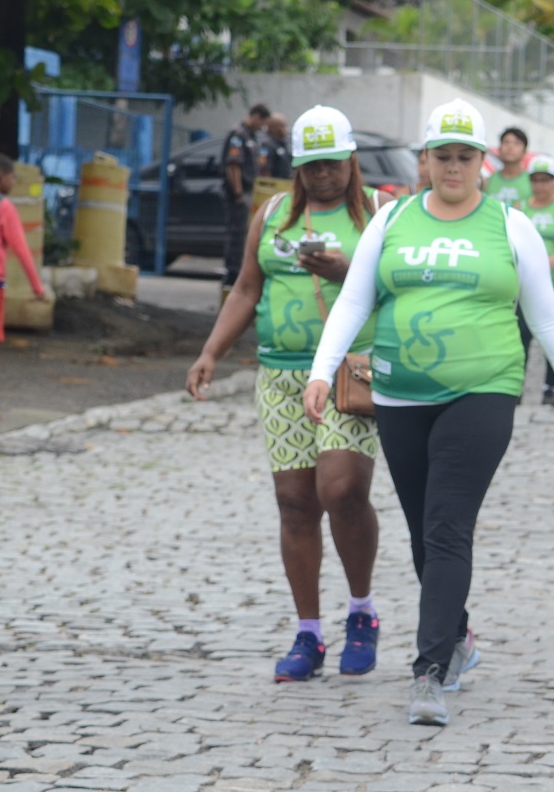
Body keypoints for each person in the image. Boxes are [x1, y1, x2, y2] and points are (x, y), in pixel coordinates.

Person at [302, 98, 554, 728]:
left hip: (484, 391)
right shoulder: (392, 221)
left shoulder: (509, 225)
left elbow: (546, 317)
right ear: (425, 161)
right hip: (399, 395)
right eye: (443, 156)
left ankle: (429, 670)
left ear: (484, 163)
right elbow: (355, 300)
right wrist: (321, 372)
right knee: (422, 533)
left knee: (445, 526)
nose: (454, 168)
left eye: (466, 157)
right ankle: (458, 636)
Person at [187, 105, 391, 683]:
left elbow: (396, 288)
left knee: (343, 488)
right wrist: (210, 352)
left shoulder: (381, 213)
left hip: (353, 372)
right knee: (296, 504)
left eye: (332, 164)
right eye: (310, 166)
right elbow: (247, 289)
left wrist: (345, 271)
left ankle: (361, 611)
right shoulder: (272, 214)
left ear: (351, 160)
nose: (322, 176)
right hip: (280, 376)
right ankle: (309, 631)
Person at [0, 153, 46, 422]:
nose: (14, 181)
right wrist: (37, 287)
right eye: (11, 177)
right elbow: (22, 249)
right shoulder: (5, 209)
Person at [515, 155, 554, 405]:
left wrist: (549, 261)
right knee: (522, 334)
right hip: (526, 283)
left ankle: (549, 386)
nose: (540, 186)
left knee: (553, 335)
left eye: (545, 180)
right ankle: (516, 385)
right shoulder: (522, 207)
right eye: (535, 180)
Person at [221, 103, 270, 295]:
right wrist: (239, 194)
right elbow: (233, 165)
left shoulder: (250, 136)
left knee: (244, 236)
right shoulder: (238, 135)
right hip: (238, 195)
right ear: (256, 116)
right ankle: (232, 276)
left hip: (248, 191)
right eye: (263, 122)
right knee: (237, 235)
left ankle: (237, 273)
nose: (263, 127)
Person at [484, 126, 532, 207]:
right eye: (506, 142)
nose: (510, 147)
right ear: (499, 149)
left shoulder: (532, 182)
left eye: (517, 143)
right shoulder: (487, 182)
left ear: (525, 152)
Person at [260, 114, 292, 179]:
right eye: (282, 125)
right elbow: (265, 169)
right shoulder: (266, 144)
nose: (286, 128)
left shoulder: (284, 143)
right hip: (275, 185)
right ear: (273, 127)